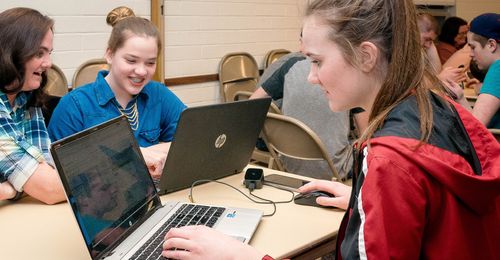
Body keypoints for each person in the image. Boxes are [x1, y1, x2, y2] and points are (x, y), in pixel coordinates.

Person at [161, 0, 500, 259]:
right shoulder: (441, 107)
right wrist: (362, 199)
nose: (310, 76)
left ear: (366, 56)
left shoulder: (389, 162)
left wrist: (243, 256)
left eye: (318, 61)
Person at [48, 7, 186, 178]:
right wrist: (137, 155)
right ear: (110, 54)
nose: (142, 71)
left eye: (150, 63)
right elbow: (60, 172)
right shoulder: (75, 105)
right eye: (131, 60)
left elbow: (191, 139)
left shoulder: (158, 94)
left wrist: (147, 152)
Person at [251, 52, 354, 180]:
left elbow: (252, 103)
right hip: (335, 171)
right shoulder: (349, 72)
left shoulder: (289, 65)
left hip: (288, 163)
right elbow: (366, 134)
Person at [0, 7, 65, 204]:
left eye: (49, 53)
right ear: (12, 52)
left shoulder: (26, 97)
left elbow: (47, 169)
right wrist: (27, 184)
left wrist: (10, 189)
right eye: (39, 53)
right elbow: (49, 189)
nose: (48, 63)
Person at [445, 13, 500, 129]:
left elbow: (476, 128)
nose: (470, 54)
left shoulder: (497, 69)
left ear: (491, 45)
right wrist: (460, 98)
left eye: (473, 47)